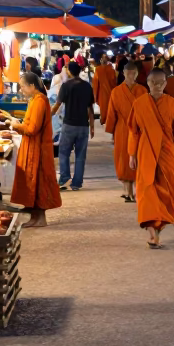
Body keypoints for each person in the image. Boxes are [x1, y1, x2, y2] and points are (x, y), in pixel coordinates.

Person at [127, 67, 174, 248]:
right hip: (145, 151)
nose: (158, 86)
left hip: (166, 152)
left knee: (166, 192)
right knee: (147, 191)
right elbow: (134, 132)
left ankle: (158, 229)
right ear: (148, 83)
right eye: (154, 82)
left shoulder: (172, 103)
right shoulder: (139, 104)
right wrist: (132, 154)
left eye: (161, 82)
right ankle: (153, 234)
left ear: (166, 84)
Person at [8, 71, 62, 227]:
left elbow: (32, 129)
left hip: (37, 148)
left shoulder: (40, 101)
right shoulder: (35, 100)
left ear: (32, 86)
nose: (21, 90)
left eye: (22, 86)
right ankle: (35, 218)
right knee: (32, 182)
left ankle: (40, 219)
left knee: (38, 183)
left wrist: (15, 125)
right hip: (31, 146)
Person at [105, 62, 148, 201]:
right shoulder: (116, 92)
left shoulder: (142, 90)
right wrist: (112, 133)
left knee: (137, 158)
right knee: (123, 159)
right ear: (124, 73)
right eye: (129, 73)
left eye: (134, 73)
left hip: (138, 129)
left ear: (137, 74)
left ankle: (135, 190)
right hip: (122, 129)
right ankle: (127, 190)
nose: (131, 76)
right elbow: (111, 114)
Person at [52, 62, 95, 191]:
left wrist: (47, 115)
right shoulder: (87, 86)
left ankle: (64, 178)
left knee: (64, 153)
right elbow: (90, 108)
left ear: (70, 72)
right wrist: (92, 126)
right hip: (83, 126)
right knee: (80, 155)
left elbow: (57, 105)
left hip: (69, 125)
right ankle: (76, 183)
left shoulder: (66, 86)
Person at [92, 53, 117, 125]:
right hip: (111, 91)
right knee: (110, 106)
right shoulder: (112, 70)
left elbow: (96, 82)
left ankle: (104, 119)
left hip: (102, 92)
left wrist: (95, 94)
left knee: (103, 107)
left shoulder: (98, 69)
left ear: (100, 60)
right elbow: (114, 81)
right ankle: (110, 119)